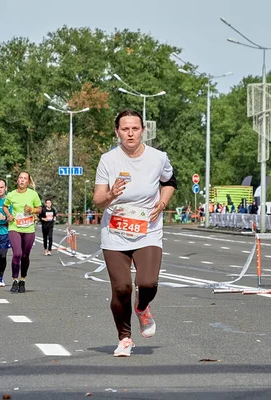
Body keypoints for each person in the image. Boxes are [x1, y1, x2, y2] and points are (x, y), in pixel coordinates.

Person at [93, 109, 176, 357]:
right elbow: (98, 199)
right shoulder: (108, 160)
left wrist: (161, 204)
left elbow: (170, 182)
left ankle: (142, 308)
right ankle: (125, 338)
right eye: (125, 129)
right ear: (117, 131)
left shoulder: (158, 158)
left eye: (135, 128)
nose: (130, 133)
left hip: (147, 229)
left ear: (143, 130)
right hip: (115, 232)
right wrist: (111, 194)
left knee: (147, 283)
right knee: (121, 289)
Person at [2, 171, 42, 293]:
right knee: (17, 253)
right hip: (14, 227)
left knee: (25, 256)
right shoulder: (11, 195)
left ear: (28, 182)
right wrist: (8, 214)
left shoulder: (33, 194)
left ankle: (22, 279)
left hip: (29, 228)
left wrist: (32, 209)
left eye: (25, 178)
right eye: (20, 178)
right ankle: (14, 280)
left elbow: (40, 209)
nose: (22, 180)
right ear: (17, 180)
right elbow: (5, 206)